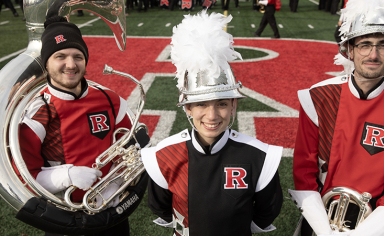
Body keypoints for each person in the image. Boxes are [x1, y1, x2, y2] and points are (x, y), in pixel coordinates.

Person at [142, 10, 283, 236]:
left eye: (222, 104)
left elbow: (267, 210)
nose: (212, 115)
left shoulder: (259, 156)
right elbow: (160, 207)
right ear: (187, 107)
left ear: (234, 105)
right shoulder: (165, 155)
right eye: (201, 104)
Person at [289, 0, 384, 235]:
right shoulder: (319, 96)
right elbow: (303, 171)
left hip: (375, 224)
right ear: (349, 49)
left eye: (383, 45)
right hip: (318, 219)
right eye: (364, 45)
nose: (373, 54)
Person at [18, 16, 141, 236]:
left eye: (78, 56)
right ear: (46, 62)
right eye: (60, 56)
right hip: (64, 220)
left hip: (112, 213)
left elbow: (133, 149)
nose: (71, 64)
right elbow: (26, 178)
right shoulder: (36, 113)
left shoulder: (110, 99)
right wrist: (68, 175)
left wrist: (118, 180)